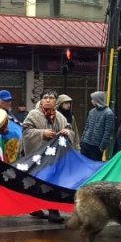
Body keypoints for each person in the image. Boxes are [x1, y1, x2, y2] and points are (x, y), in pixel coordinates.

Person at [22, 90, 75, 223]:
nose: (48, 100)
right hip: (37, 155)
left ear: (55, 101)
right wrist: (42, 133)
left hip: (54, 157)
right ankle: (35, 207)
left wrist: (67, 132)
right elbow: (26, 131)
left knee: (51, 182)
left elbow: (70, 129)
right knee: (36, 183)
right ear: (41, 100)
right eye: (45, 97)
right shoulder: (33, 114)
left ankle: (53, 211)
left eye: (51, 98)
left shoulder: (60, 117)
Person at [80, 91, 114, 161]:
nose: (91, 101)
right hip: (85, 143)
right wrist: (82, 140)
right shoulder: (92, 111)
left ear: (97, 100)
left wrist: (102, 147)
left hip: (96, 146)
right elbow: (87, 126)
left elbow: (107, 131)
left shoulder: (108, 113)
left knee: (94, 166)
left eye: (93, 99)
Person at [0, 90, 23, 163]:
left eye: (9, 100)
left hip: (13, 150)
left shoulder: (10, 115)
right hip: (1, 150)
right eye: (5, 101)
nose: (8, 103)